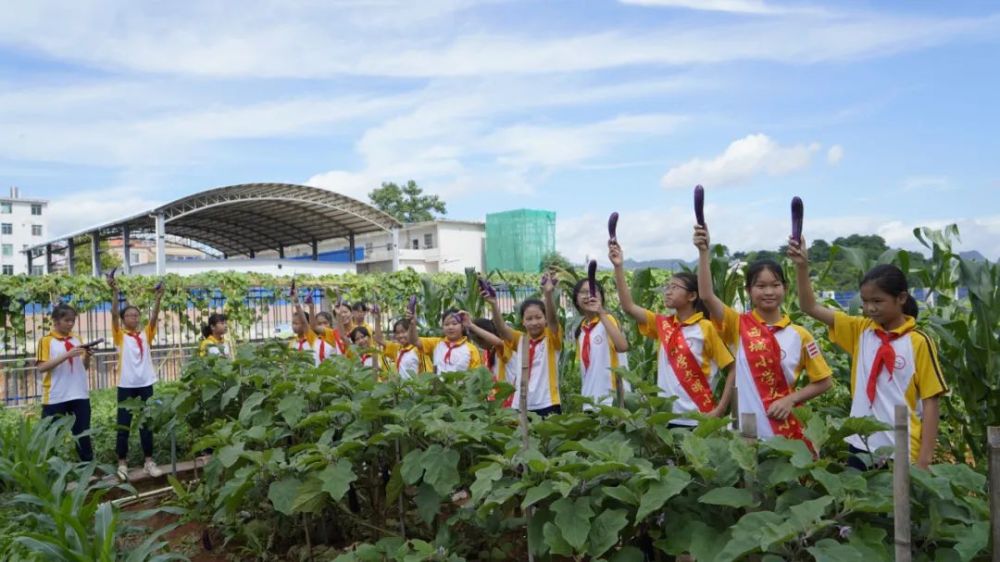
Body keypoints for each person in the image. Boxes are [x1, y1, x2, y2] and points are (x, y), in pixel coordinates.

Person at [789, 241, 946, 469]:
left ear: (901, 298)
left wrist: (924, 459)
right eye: (865, 301)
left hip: (900, 449)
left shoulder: (918, 342)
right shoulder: (861, 330)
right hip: (860, 444)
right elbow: (809, 307)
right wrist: (802, 266)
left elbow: (931, 401)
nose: (870, 308)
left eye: (877, 301)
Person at [695, 223, 833, 442]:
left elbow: (824, 381)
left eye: (775, 285)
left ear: (785, 288)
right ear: (749, 291)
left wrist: (791, 399)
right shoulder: (737, 324)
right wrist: (704, 252)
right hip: (748, 428)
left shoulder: (800, 335)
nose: (769, 292)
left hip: (785, 430)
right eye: (760, 286)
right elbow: (706, 296)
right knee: (748, 463)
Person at [610, 240, 733, 426]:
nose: (667, 292)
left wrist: (720, 409)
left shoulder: (706, 328)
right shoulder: (663, 325)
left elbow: (732, 368)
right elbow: (628, 307)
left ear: (692, 296)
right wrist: (618, 267)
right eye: (667, 287)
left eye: (674, 287)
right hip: (666, 418)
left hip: (699, 419)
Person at [109, 276, 165, 480]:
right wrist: (115, 292)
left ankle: (149, 461)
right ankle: (122, 463)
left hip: (145, 384)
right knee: (123, 424)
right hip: (126, 385)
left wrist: (158, 298)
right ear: (123, 319)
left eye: (136, 315)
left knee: (146, 424)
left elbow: (154, 317)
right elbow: (113, 314)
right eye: (129, 315)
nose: (134, 318)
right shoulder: (120, 335)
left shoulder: (145, 334)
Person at [483, 275, 563, 417]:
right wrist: (494, 304)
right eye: (529, 319)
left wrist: (548, 295)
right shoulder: (520, 340)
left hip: (547, 402)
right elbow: (502, 328)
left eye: (538, 317)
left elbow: (553, 321)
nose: (534, 322)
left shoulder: (551, 339)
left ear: (545, 319)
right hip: (520, 404)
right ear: (523, 322)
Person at [36, 304, 93, 461]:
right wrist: (66, 355)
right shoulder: (46, 341)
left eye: (73, 320)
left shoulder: (77, 339)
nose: (70, 324)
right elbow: (41, 367)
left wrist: (87, 356)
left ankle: (87, 467)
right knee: (50, 436)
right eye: (67, 320)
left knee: (83, 435)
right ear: (55, 320)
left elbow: (83, 367)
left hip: (79, 394)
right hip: (55, 396)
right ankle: (50, 468)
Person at [570, 274, 631, 409]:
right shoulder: (582, 329)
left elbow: (622, 346)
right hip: (590, 400)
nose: (588, 295)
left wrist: (601, 312)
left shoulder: (607, 320)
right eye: (583, 292)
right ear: (576, 299)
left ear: (601, 297)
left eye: (593, 291)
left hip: (612, 400)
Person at [407, 306, 482, 373]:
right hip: (438, 384)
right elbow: (414, 341)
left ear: (462, 326)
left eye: (454, 324)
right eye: (446, 324)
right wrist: (412, 323)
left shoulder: (472, 349)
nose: (450, 327)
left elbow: (475, 375)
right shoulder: (436, 343)